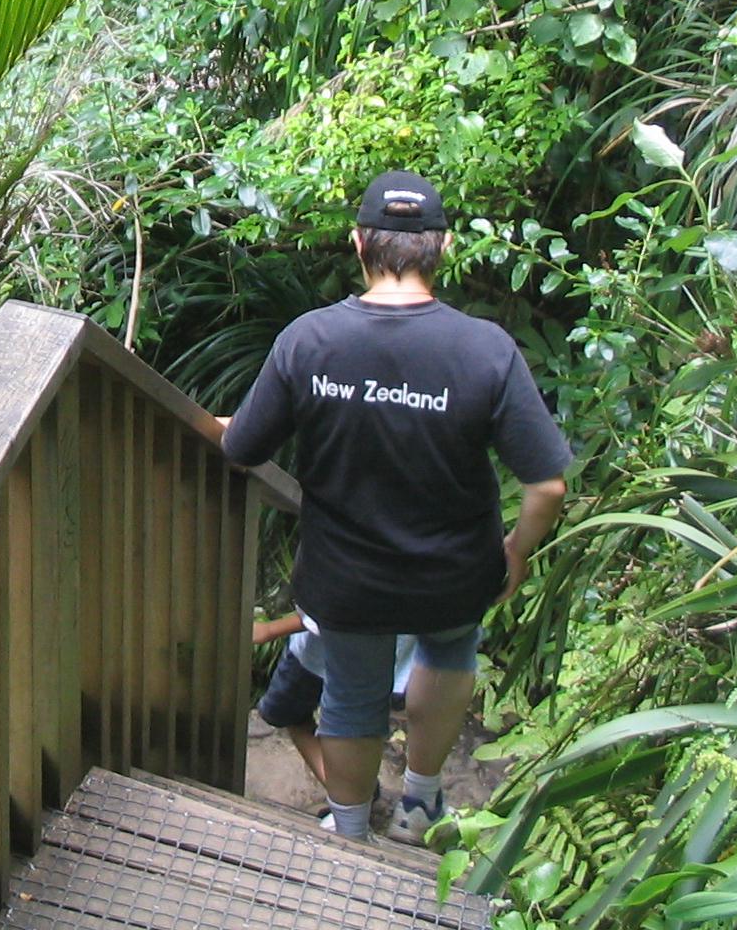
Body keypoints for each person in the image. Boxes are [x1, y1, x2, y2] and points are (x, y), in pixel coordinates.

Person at [222, 170, 571, 845]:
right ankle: (420, 804)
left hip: (346, 578)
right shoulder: (486, 349)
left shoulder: (310, 341)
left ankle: (349, 830)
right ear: (441, 247)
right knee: (448, 655)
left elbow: (243, 446)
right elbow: (548, 486)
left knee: (350, 698)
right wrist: (516, 553)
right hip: (455, 573)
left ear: (358, 243)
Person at [251, 609, 416, 793]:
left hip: (318, 658)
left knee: (288, 714)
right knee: (359, 733)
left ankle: (351, 797)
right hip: (387, 666)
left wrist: (270, 630)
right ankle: (356, 796)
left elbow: (330, 603)